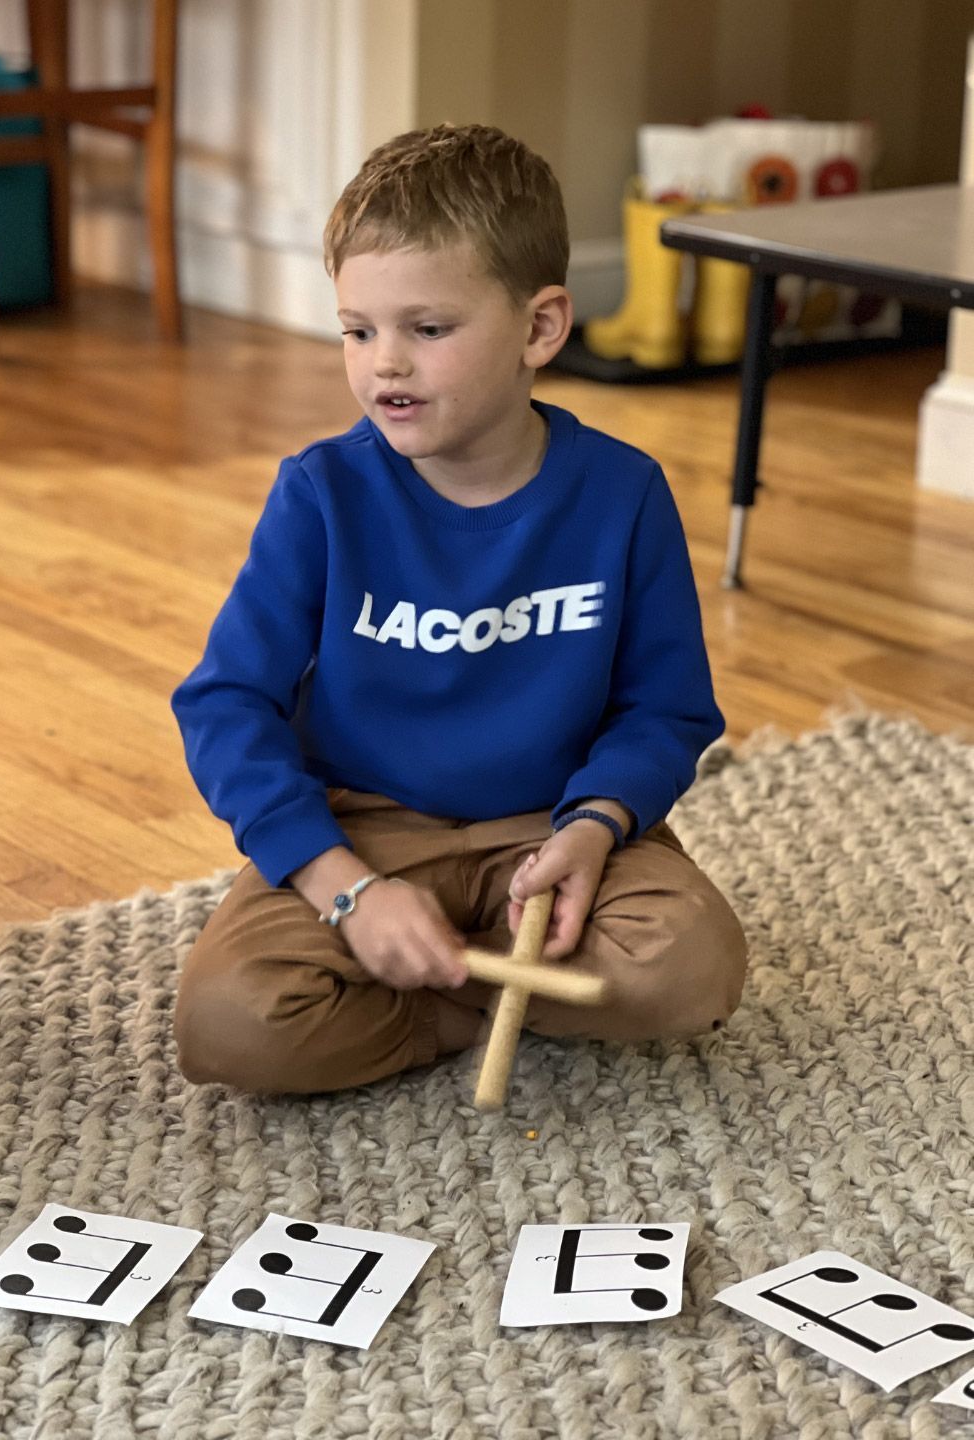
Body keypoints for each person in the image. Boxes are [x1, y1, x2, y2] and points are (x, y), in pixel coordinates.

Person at [171, 123, 747, 1096]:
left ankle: (436, 985)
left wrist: (598, 826)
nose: (382, 365)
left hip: (551, 829)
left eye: (426, 330)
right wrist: (345, 892)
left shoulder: (624, 493)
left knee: (691, 969)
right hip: (366, 831)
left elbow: (667, 709)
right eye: (359, 330)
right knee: (230, 1022)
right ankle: (479, 992)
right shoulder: (321, 493)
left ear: (539, 328)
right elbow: (225, 706)